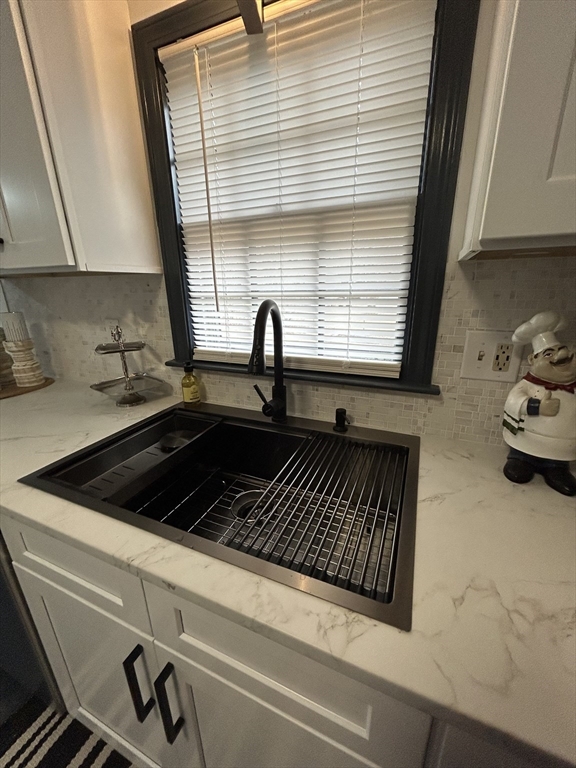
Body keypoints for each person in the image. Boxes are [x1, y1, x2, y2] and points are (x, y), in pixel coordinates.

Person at [502, 312, 576, 496]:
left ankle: (556, 468)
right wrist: (537, 407)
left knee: (557, 467)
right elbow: (513, 401)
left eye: (561, 350)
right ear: (532, 360)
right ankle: (521, 460)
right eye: (548, 353)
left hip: (561, 451)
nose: (560, 357)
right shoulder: (527, 385)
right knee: (519, 467)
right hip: (525, 444)